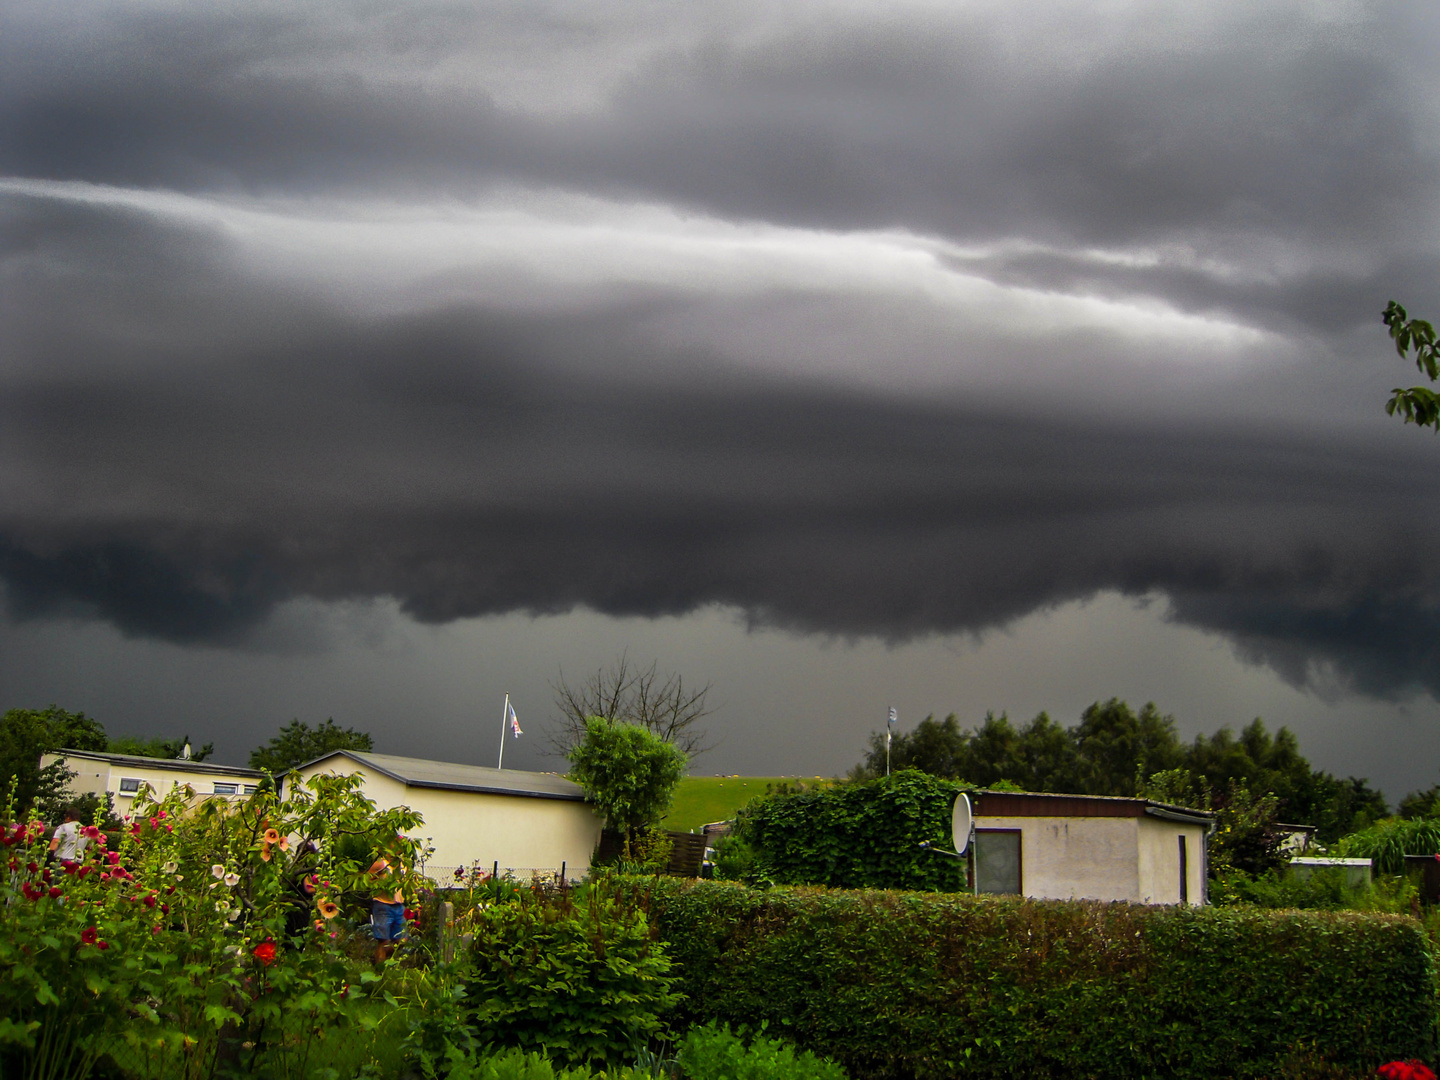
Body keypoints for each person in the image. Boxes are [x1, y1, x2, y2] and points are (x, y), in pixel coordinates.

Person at [368, 838, 407, 963]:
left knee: (401, 940)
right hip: (382, 905)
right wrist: (379, 883)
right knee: (383, 940)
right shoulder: (381, 864)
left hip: (399, 905)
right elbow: (367, 879)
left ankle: (384, 959)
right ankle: (380, 969)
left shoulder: (403, 864)